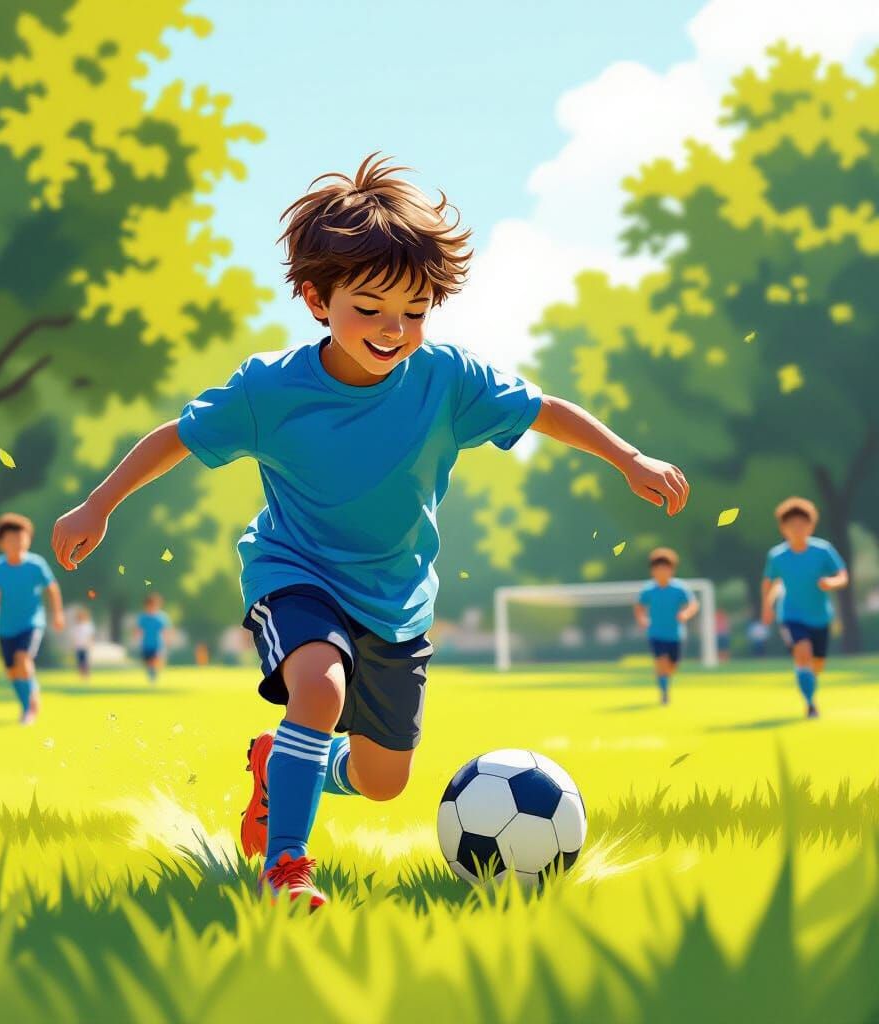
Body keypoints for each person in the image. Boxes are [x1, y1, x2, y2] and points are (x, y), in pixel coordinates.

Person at [51, 155, 690, 907]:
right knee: (317, 688)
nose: (394, 331)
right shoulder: (271, 388)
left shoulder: (447, 380)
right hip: (297, 573)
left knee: (384, 780)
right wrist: (98, 502)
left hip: (396, 599)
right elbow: (176, 437)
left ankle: (283, 765)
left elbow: (541, 407)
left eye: (414, 313)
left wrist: (625, 456)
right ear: (318, 299)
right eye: (371, 310)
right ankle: (287, 866)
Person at [761, 497, 848, 718]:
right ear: (783, 528)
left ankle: (808, 683)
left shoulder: (823, 550)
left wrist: (832, 583)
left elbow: (842, 575)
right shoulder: (777, 556)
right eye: (792, 525)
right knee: (803, 653)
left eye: (802, 524)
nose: (797, 529)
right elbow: (770, 582)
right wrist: (767, 607)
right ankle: (810, 705)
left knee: (816, 665)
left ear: (811, 525)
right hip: (791, 615)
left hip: (820, 616)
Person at [0, 513, 63, 724]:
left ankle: (29, 709)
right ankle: (29, 697)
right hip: (6, 627)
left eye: (22, 538)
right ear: (1, 543)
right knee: (12, 672)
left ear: (28, 540)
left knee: (23, 659)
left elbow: (52, 588)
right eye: (12, 539)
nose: (17, 543)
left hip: (32, 622)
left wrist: (58, 613)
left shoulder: (36, 565)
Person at [634, 548, 699, 704]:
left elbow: (693, 604)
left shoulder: (679, 588)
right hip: (655, 633)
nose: (662, 572)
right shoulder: (649, 590)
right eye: (658, 568)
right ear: (653, 571)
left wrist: (686, 614)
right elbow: (639, 606)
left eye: (665, 568)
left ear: (672, 570)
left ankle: (663, 678)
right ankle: (664, 692)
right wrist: (642, 619)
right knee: (661, 661)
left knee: (672, 666)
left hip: (675, 634)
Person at [135, 593, 170, 683]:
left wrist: (167, 641)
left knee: (155, 661)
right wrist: (136, 638)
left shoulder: (161, 617)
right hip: (146, 644)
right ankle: (151, 673)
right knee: (148, 663)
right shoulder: (143, 618)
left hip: (158, 644)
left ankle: (153, 675)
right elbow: (138, 630)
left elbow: (165, 630)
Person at [72, 607, 95, 679]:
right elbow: (74, 636)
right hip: (78, 646)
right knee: (79, 662)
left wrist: (90, 644)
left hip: (85, 646)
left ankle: (86, 675)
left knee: (85, 662)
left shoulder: (88, 625)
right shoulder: (76, 626)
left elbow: (90, 636)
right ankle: (81, 675)